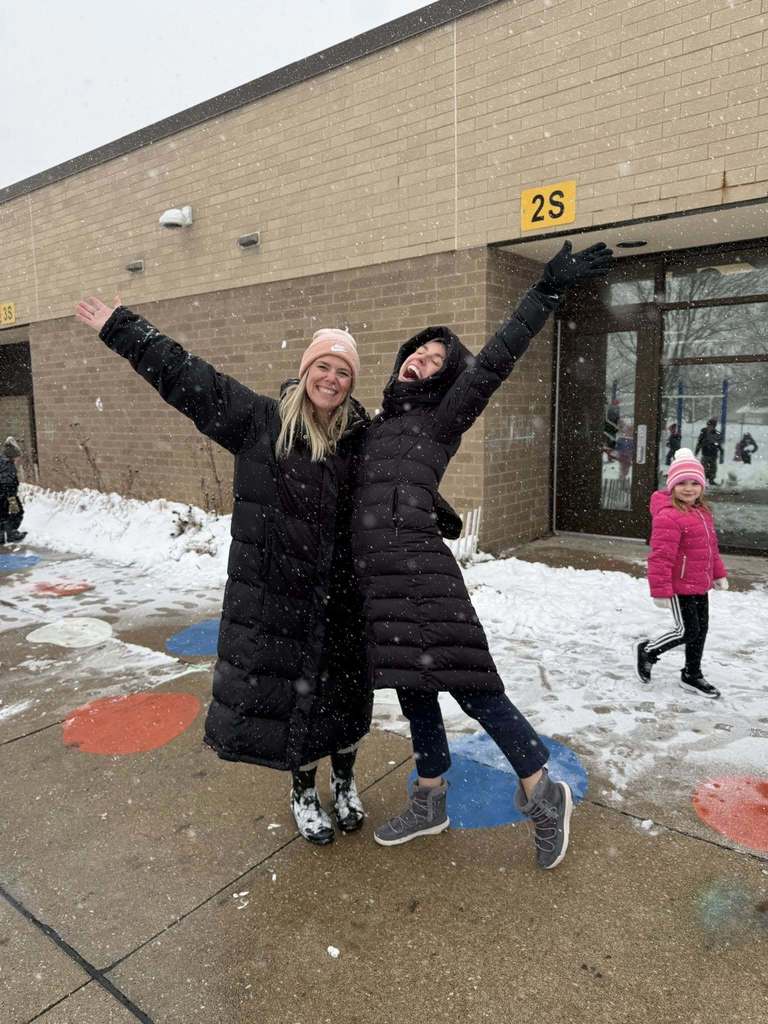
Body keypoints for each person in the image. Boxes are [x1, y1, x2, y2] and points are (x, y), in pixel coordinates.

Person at [350, 240, 614, 869]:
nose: (422, 358)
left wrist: (545, 291)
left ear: (446, 378)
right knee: (413, 692)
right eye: (419, 350)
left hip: (423, 579)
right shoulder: (377, 427)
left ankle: (542, 792)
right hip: (380, 586)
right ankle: (431, 798)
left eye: (437, 358)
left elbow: (494, 362)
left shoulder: (442, 418)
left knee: (474, 688)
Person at [75, 297, 373, 845]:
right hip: (281, 603)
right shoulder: (262, 423)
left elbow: (409, 480)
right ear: (306, 371)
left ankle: (347, 781)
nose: (331, 379)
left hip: (346, 603)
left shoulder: (362, 442)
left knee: (348, 699)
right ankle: (304, 791)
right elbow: (190, 378)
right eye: (323, 367)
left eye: (343, 372)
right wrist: (122, 328)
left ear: (352, 383)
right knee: (297, 702)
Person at [635, 448, 728, 699]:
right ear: (672, 486)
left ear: (702, 486)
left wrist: (718, 574)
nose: (689, 488)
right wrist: (661, 591)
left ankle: (691, 674)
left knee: (702, 629)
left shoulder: (702, 512)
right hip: (678, 585)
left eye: (695, 483)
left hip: (700, 583)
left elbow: (711, 549)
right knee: (687, 631)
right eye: (682, 483)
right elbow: (660, 557)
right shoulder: (668, 516)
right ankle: (649, 651)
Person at [0, 436, 27, 544]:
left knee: (3, 515)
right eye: (15, 457)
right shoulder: (6, 463)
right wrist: (9, 494)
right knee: (16, 512)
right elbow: (6, 480)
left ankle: (3, 536)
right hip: (8, 494)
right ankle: (12, 533)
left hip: (6, 494)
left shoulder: (5, 461)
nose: (16, 460)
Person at [694, 417, 722, 485]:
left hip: (713, 453)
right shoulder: (704, 432)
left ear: (714, 426)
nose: (710, 427)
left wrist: (720, 450)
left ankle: (711, 480)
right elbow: (700, 442)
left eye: (711, 426)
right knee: (703, 467)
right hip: (706, 453)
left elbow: (718, 443)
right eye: (709, 425)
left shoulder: (717, 433)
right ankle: (702, 480)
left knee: (713, 468)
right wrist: (697, 451)